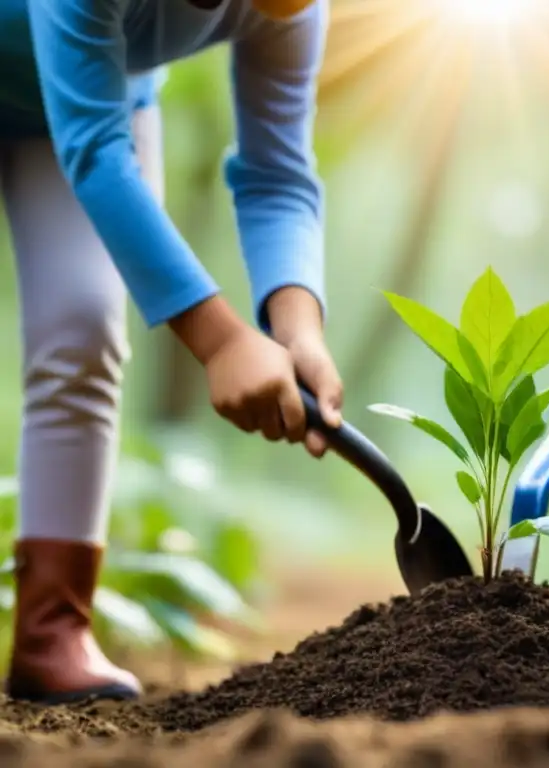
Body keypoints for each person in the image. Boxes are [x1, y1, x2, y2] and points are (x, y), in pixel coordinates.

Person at [0, 0, 343, 704]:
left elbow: (278, 172)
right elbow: (95, 150)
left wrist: (298, 327)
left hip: (90, 106)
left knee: (83, 330)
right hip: (90, 130)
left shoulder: (292, 10)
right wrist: (218, 341)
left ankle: (51, 629)